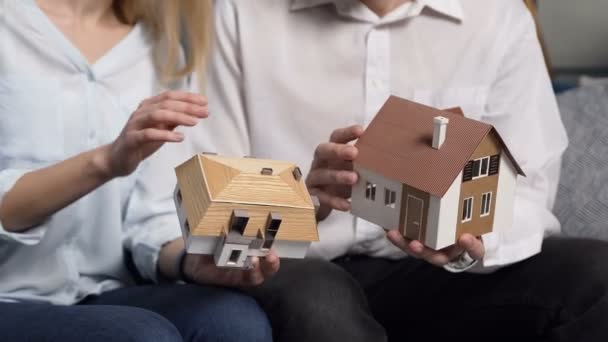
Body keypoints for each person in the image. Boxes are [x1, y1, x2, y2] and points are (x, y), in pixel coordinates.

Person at [153, 0, 607, 341]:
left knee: (597, 273)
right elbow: (205, 186)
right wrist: (304, 202)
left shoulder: (497, 14)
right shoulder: (239, 13)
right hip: (300, 268)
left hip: (443, 277)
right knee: (321, 300)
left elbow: (526, 193)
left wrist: (471, 242)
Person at [0, 1, 275, 341]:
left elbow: (151, 216)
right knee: (142, 335)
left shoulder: (162, 51)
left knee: (234, 321)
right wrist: (105, 162)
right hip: (8, 294)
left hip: (104, 291)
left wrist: (192, 259)